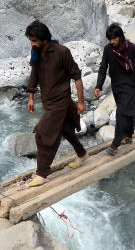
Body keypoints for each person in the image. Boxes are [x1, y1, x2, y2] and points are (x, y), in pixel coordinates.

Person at [25, 21, 88, 187]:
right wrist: (31, 96)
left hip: (60, 100)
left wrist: (81, 101)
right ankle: (82, 154)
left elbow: (77, 76)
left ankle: (42, 173)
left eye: (35, 40)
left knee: (42, 134)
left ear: (45, 39)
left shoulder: (62, 52)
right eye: (31, 40)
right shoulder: (36, 52)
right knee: (66, 129)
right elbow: (34, 73)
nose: (32, 44)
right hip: (48, 100)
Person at [94, 23, 135, 156]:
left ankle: (115, 144)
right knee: (127, 112)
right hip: (116, 87)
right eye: (110, 39)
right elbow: (103, 68)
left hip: (130, 85)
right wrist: (98, 86)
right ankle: (128, 135)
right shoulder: (108, 50)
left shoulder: (132, 49)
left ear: (120, 37)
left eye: (114, 39)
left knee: (121, 113)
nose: (112, 42)